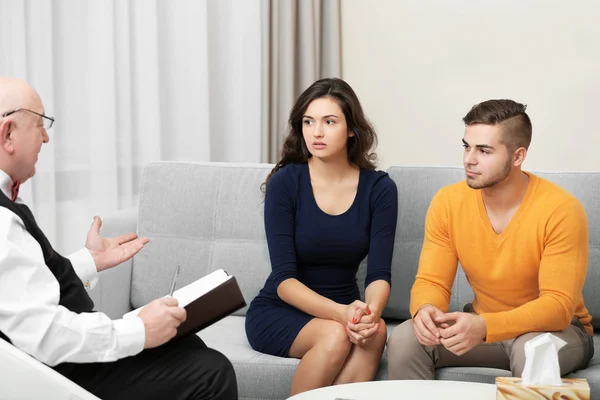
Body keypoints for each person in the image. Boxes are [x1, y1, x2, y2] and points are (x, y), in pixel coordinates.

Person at [0, 76, 237, 400]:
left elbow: (21, 285)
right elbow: (42, 333)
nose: (45, 138)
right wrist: (139, 330)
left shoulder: (7, 201)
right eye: (40, 125)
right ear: (8, 134)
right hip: (59, 375)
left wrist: (89, 260)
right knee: (210, 372)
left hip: (63, 361)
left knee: (184, 342)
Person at [386, 99, 594, 380]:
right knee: (406, 338)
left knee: (531, 350)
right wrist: (425, 310)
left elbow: (557, 307)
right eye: (466, 146)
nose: (469, 159)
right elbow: (431, 281)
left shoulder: (561, 210)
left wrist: (485, 325)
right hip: (484, 327)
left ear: (518, 156)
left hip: (557, 331)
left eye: (484, 150)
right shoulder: (448, 202)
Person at [245, 77, 398, 395]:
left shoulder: (379, 189)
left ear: (352, 129)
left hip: (345, 308)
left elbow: (379, 274)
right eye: (308, 122)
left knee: (378, 332)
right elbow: (284, 281)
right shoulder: (285, 182)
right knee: (336, 334)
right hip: (280, 310)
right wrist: (342, 315)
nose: (316, 132)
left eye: (329, 121)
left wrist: (369, 314)